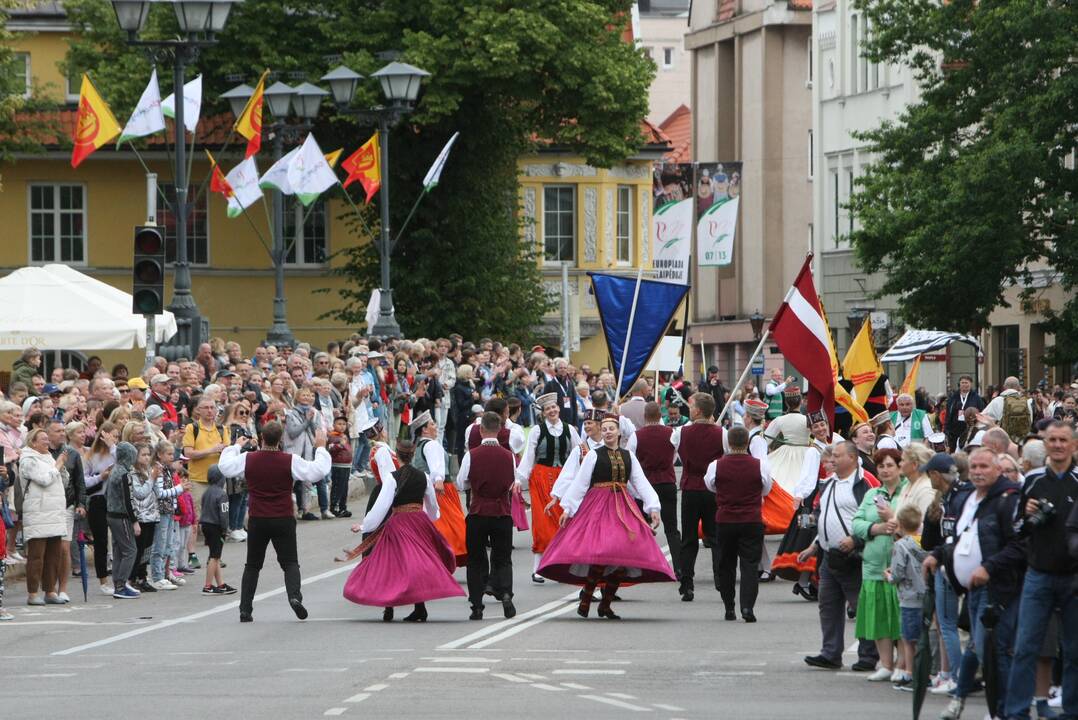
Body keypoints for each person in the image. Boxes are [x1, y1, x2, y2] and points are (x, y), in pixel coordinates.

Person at [538, 415, 674, 619]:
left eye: (612, 429)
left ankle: (606, 603)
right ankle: (587, 596)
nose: (608, 432)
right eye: (605, 429)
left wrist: (653, 507)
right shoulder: (593, 455)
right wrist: (568, 508)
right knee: (602, 552)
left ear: (619, 432)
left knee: (622, 555)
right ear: (602, 433)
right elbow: (581, 483)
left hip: (622, 506)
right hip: (598, 507)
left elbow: (641, 483)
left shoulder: (629, 456)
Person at [929, 447, 1024, 720]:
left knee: (992, 651)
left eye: (985, 466)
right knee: (976, 646)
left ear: (997, 469)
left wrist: (988, 568)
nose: (979, 472)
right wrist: (937, 555)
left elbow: (1019, 546)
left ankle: (1005, 711)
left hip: (999, 589)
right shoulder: (969, 498)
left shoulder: (1008, 499)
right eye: (975, 467)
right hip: (972, 589)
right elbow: (959, 535)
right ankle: (960, 699)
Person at [216, 421, 331, 623]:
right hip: (283, 517)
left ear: (261, 438)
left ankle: (245, 609)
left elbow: (224, 467)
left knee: (252, 564)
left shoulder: (248, 458)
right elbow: (317, 471)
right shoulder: (290, 460)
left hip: (258, 518)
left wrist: (236, 446)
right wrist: (320, 448)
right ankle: (294, 596)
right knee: (290, 563)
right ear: (280, 440)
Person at [1002, 421, 1078, 720]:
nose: (1058, 445)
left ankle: (1072, 711)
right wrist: (1028, 514)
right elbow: (1017, 530)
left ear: (1073, 445)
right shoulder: (1031, 480)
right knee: (1025, 647)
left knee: (1074, 651)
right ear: (1044, 444)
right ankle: (1017, 711)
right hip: (1038, 574)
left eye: (1063, 440)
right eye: (1052, 440)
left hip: (1074, 577)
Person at [343, 440, 463, 622]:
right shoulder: (423, 476)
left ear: (397, 456)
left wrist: (365, 526)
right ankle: (419, 607)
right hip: (418, 521)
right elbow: (432, 506)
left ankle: (389, 607)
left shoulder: (392, 478)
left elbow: (382, 506)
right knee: (417, 562)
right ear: (413, 455)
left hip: (399, 522)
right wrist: (429, 520)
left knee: (390, 562)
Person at [802, 441, 881, 672]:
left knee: (861, 606)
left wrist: (856, 541)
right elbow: (824, 516)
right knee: (828, 606)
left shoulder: (864, 485)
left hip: (853, 556)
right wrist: (814, 546)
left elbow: (875, 520)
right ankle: (830, 653)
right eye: (831, 456)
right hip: (828, 556)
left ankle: (868, 655)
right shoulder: (828, 484)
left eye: (837, 456)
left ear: (852, 458)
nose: (831, 460)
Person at [851, 447, 908, 682]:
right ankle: (885, 663)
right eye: (881, 466)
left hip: (901, 565)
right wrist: (876, 529)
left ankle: (902, 664)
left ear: (899, 467)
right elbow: (857, 522)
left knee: (902, 617)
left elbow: (912, 522)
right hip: (874, 564)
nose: (885, 470)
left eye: (889, 465)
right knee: (879, 616)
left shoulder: (908, 492)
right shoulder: (872, 493)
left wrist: (891, 519)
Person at [704, 426, 771, 622]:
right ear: (747, 443)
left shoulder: (716, 465)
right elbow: (766, 489)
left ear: (729, 443)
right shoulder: (760, 465)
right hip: (751, 518)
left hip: (725, 519)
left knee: (726, 564)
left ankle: (729, 607)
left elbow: (711, 485)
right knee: (750, 565)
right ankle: (747, 608)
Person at [457, 412, 517, 620]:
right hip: (502, 511)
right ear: (500, 431)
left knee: (476, 559)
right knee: (503, 558)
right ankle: (506, 593)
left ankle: (477, 605)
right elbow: (513, 482)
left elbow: (461, 482)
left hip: (478, 511)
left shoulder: (471, 454)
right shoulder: (508, 456)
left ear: (481, 430)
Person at [516, 392, 581, 583]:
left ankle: (563, 565)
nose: (552, 411)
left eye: (554, 407)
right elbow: (529, 456)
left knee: (565, 520)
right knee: (542, 522)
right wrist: (520, 479)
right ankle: (538, 568)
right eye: (547, 409)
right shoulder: (537, 430)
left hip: (565, 478)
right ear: (543, 413)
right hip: (541, 478)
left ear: (559, 408)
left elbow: (579, 453)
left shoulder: (570, 429)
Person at [676, 392, 724, 601]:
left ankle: (687, 583)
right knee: (714, 537)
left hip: (690, 487)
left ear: (697, 411)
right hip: (712, 489)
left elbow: (676, 451)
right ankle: (720, 579)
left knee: (689, 538)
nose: (688, 408)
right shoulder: (722, 433)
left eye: (691, 405)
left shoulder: (680, 432)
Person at [627, 401, 681, 580]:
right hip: (667, 482)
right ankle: (679, 567)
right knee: (672, 528)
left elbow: (630, 459)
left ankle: (642, 566)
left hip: (645, 485)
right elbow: (674, 455)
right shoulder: (671, 433)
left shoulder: (637, 436)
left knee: (643, 526)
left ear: (644, 417)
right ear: (661, 416)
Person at [19, 427, 68, 605]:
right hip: (38, 512)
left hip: (54, 512)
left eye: (48, 439)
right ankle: (32, 593)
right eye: (43, 439)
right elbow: (45, 479)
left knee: (54, 555)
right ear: (33, 442)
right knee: (36, 556)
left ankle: (50, 590)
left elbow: (61, 481)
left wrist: (62, 469)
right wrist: (58, 465)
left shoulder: (49, 458)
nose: (47, 442)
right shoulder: (28, 460)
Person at [412, 410, 467, 566]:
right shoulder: (431, 445)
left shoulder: (419, 446)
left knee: (442, 525)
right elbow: (436, 467)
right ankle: (447, 554)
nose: (435, 427)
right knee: (452, 526)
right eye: (432, 424)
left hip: (428, 489)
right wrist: (438, 480)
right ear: (424, 429)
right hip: (441, 490)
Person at [884, 504, 928, 691]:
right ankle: (924, 672)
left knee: (909, 639)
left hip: (908, 597)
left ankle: (911, 674)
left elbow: (898, 573)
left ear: (900, 524)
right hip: (926, 596)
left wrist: (889, 576)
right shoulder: (925, 543)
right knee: (922, 637)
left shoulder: (900, 545)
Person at [84, 420, 118, 594]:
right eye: (111, 436)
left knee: (119, 539)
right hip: (98, 499)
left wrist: (113, 446)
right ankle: (103, 580)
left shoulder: (116, 451)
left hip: (115, 498)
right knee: (101, 540)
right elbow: (84, 480)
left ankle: (121, 577)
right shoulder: (91, 455)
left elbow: (123, 463)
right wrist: (100, 477)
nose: (114, 439)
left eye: (116, 436)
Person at [105, 442, 142, 600]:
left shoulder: (115, 470)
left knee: (119, 550)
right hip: (121, 516)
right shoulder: (124, 474)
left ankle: (118, 583)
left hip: (111, 515)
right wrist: (134, 521)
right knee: (130, 550)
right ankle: (121, 585)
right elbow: (128, 500)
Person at [283, 387, 325, 520]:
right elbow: (293, 432)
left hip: (307, 451)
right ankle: (287, 510)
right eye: (303, 395)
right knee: (290, 483)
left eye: (308, 395)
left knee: (307, 481)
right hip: (293, 451)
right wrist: (306, 421)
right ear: (297, 397)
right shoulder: (291, 414)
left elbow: (315, 432)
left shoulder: (314, 413)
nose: (306, 397)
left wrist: (311, 420)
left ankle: (306, 510)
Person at [199, 465, 236, 595]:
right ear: (222, 479)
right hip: (216, 526)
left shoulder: (206, 492)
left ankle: (221, 584)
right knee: (214, 557)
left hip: (205, 525)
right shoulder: (222, 494)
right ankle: (208, 586)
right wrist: (224, 529)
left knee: (215, 555)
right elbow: (224, 514)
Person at [983, 376, 1033, 444]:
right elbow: (1030, 420)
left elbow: (983, 419)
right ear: (1018, 387)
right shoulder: (1026, 402)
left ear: (1004, 387)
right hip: (1022, 441)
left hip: (1002, 441)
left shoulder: (997, 401)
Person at [945, 376, 984, 452]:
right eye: (962, 382)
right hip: (954, 431)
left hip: (971, 429)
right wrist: (947, 429)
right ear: (959, 384)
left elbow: (981, 411)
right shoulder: (953, 397)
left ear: (971, 384)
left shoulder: (976, 397)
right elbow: (948, 414)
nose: (964, 384)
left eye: (966, 382)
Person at [327, 415, 353, 519]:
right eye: (339, 424)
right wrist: (340, 445)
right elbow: (331, 449)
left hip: (346, 466)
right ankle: (335, 507)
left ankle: (343, 507)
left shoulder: (344, 436)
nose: (342, 426)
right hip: (338, 465)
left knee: (344, 487)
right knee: (338, 487)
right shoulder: (333, 437)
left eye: (344, 424)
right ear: (334, 425)